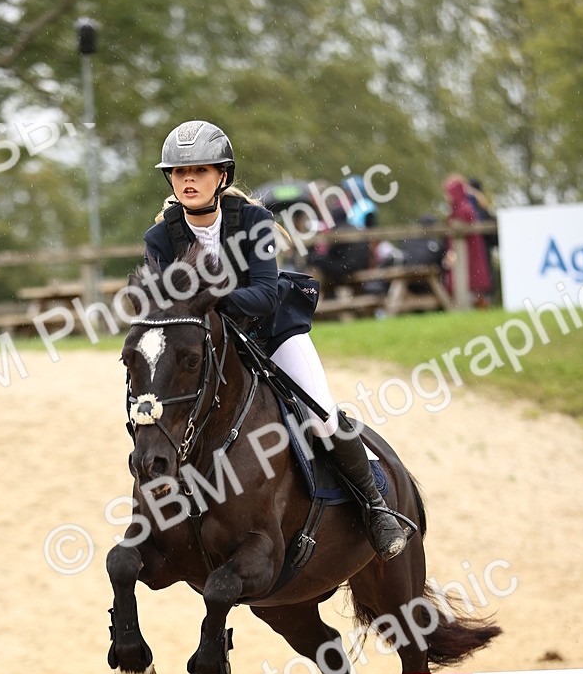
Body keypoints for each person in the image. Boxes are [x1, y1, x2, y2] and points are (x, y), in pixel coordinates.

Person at [142, 119, 408, 561]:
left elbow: (265, 294)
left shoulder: (255, 221)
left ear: (221, 176)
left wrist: (210, 299)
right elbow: (165, 306)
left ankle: (376, 510)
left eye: (200, 171)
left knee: (320, 415)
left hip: (271, 334)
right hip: (210, 349)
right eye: (180, 173)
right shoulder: (159, 238)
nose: (189, 180)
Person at [442, 175, 492, 305]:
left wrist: (453, 251)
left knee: (473, 287)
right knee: (466, 285)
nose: (447, 197)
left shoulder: (464, 209)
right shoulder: (459, 208)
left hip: (468, 254)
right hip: (462, 254)